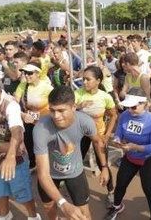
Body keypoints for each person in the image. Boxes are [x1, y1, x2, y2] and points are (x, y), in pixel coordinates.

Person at [34, 86, 109, 220]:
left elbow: (98, 142)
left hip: (75, 172)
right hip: (50, 175)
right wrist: (63, 203)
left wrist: (104, 167)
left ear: (74, 107)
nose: (56, 116)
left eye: (61, 110)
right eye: (52, 110)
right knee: (48, 207)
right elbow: (43, 174)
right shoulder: (41, 128)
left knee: (84, 214)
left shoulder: (85, 122)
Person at [0, 70, 40, 220]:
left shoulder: (10, 105)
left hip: (17, 160)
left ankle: (33, 216)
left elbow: (17, 132)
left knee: (23, 193)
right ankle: (5, 215)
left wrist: (10, 155)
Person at [105, 87, 151, 220]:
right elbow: (119, 130)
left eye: (134, 107)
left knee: (149, 191)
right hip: (130, 158)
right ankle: (117, 207)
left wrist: (135, 147)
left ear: (144, 104)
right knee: (120, 185)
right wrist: (117, 139)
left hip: (147, 160)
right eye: (128, 107)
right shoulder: (125, 115)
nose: (130, 110)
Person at [75, 65, 118, 207]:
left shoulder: (105, 97)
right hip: (81, 135)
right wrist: (79, 106)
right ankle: (76, 189)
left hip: (99, 135)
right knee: (77, 161)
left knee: (102, 164)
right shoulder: (77, 94)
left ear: (98, 81)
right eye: (83, 79)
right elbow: (67, 111)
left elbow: (113, 116)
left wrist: (107, 135)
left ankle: (111, 192)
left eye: (88, 79)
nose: (84, 82)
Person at [14, 61, 54, 171]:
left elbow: (56, 104)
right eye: (25, 73)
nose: (26, 75)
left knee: (45, 145)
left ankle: (50, 167)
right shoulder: (23, 85)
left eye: (30, 73)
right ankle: (33, 164)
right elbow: (14, 102)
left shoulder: (47, 88)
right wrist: (22, 115)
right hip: (28, 121)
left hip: (45, 123)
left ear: (38, 73)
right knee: (29, 143)